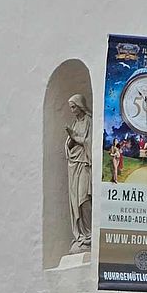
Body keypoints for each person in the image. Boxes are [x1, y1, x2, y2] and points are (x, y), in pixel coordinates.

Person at [65, 93, 92, 251]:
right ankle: (81, 234)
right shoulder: (75, 123)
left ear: (80, 106)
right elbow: (69, 145)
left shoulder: (89, 121)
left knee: (84, 198)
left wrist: (75, 137)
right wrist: (70, 139)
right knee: (75, 200)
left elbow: (89, 142)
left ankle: (89, 233)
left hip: (85, 164)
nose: (72, 110)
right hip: (74, 165)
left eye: (74, 107)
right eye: (70, 108)